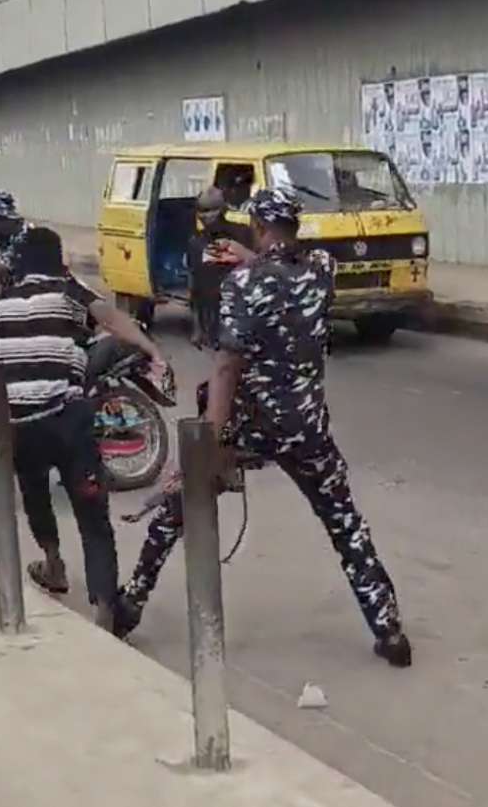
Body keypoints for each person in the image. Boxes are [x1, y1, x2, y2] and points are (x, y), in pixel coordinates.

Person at [113, 187, 412, 667]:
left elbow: (228, 363)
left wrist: (209, 438)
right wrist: (252, 258)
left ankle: (131, 602)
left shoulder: (243, 282)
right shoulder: (321, 269)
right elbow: (289, 276)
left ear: (256, 225)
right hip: (308, 426)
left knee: (177, 508)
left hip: (251, 424)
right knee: (346, 525)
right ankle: (389, 629)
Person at [0, 226, 168, 631]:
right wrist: (152, 351)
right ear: (57, 259)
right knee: (92, 515)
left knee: (35, 494)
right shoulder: (70, 293)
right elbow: (115, 322)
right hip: (68, 421)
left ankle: (54, 565)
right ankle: (104, 612)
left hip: (21, 426)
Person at [186, 187, 252, 349]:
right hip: (213, 318)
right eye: (202, 211)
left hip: (242, 314)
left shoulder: (244, 234)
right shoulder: (196, 243)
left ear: (223, 210)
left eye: (210, 210)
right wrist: (197, 328)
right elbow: (194, 287)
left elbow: (260, 265)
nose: (206, 216)